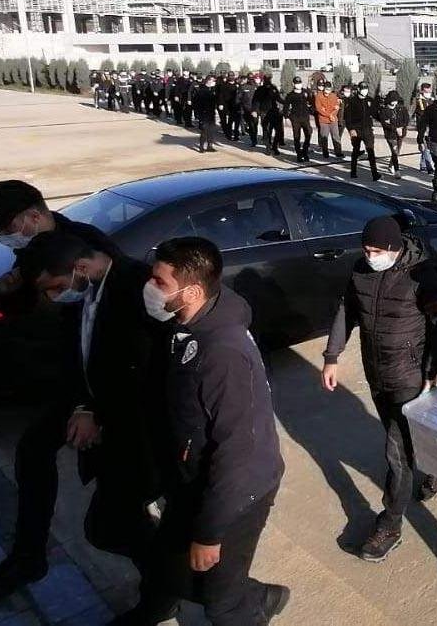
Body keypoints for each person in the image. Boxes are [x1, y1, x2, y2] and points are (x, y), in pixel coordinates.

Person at [0, 181, 120, 605]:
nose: (6, 238)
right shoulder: (33, 249)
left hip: (102, 383)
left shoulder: (88, 248)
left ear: (34, 216)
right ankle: (28, 557)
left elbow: (114, 330)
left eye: (8, 228)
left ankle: (181, 581)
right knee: (34, 455)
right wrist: (5, 292)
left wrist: (89, 405)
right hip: (64, 375)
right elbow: (25, 303)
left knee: (123, 492)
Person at [130, 237, 289, 625]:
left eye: (160, 282)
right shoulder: (185, 323)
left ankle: (254, 603)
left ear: (192, 292)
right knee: (172, 568)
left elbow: (237, 453)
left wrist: (210, 534)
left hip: (237, 495)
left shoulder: (224, 353)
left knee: (222, 603)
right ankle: (258, 595)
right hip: (193, 480)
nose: (150, 288)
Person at [16, 232, 171, 621]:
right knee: (117, 523)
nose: (54, 296)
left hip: (141, 435)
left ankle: (178, 587)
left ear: (80, 268)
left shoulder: (137, 288)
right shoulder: (87, 291)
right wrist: (85, 406)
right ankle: (165, 585)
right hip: (113, 434)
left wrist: (96, 412)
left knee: (108, 526)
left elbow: (143, 371)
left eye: (56, 287)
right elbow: (83, 356)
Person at [320, 217, 437, 561]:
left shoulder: (421, 276)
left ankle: (390, 525)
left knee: (397, 453)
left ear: (394, 248)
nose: (369, 256)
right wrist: (332, 356)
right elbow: (346, 311)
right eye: (365, 250)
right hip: (377, 375)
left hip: (410, 377)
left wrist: (430, 373)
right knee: (410, 439)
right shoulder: (360, 272)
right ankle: (434, 467)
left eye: (376, 251)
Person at [345, 82, 382, 181]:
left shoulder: (369, 100)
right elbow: (347, 118)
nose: (365, 90)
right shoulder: (352, 101)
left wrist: (383, 119)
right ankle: (353, 171)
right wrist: (351, 129)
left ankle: (374, 173)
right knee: (355, 150)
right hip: (356, 129)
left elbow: (375, 114)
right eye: (363, 88)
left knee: (371, 151)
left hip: (367, 129)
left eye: (366, 88)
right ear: (358, 89)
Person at [377, 91, 409, 179]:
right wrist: (395, 129)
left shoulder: (401, 108)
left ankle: (391, 165)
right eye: (393, 100)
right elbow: (385, 124)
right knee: (394, 151)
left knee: (397, 152)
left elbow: (406, 119)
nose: (395, 102)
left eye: (396, 100)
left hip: (401, 134)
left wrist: (401, 127)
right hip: (390, 135)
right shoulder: (384, 111)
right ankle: (397, 170)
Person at [285, 76, 314, 162]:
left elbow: (311, 102)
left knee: (308, 134)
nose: (298, 85)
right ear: (293, 84)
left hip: (305, 118)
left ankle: (305, 151)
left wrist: (311, 110)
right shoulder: (290, 95)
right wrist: (286, 117)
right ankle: (299, 154)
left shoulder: (305, 92)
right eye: (297, 83)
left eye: (300, 83)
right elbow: (286, 107)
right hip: (295, 119)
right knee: (297, 137)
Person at [313, 80, 343, 159]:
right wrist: (329, 115)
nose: (327, 91)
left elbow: (337, 107)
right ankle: (325, 152)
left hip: (333, 120)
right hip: (323, 121)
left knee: (336, 137)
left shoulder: (334, 96)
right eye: (326, 89)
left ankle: (338, 152)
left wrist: (332, 114)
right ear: (324, 88)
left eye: (329, 89)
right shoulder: (318, 96)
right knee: (324, 137)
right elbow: (319, 109)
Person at [260, 73, 286, 157]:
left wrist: (286, 102)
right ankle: (268, 147)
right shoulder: (260, 89)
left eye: (270, 79)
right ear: (264, 80)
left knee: (278, 131)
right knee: (267, 131)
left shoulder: (274, 88)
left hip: (274, 112)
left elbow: (278, 98)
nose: (269, 80)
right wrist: (255, 110)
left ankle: (275, 146)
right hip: (265, 112)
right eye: (267, 79)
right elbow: (256, 101)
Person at [412, 82, 435, 174]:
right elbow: (422, 112)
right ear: (422, 91)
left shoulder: (432, 100)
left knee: (427, 146)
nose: (428, 93)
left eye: (429, 91)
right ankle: (429, 166)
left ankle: (423, 165)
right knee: (425, 146)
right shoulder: (419, 101)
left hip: (431, 126)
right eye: (426, 92)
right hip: (423, 126)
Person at [193, 76, 219, 153]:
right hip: (204, 113)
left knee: (211, 130)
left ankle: (210, 146)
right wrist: (198, 114)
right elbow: (197, 103)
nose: (214, 82)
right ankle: (201, 147)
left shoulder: (213, 90)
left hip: (211, 113)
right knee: (204, 130)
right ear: (208, 81)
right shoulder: (202, 90)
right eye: (213, 81)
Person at [237, 75, 258, 146]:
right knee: (252, 125)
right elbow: (238, 99)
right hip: (250, 109)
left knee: (252, 125)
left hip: (251, 109)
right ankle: (254, 139)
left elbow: (237, 99)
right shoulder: (244, 87)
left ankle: (254, 139)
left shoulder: (256, 87)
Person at [217, 73, 239, 140]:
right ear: (228, 77)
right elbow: (221, 95)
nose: (231, 77)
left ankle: (235, 134)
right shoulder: (224, 85)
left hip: (235, 105)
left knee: (234, 120)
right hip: (225, 104)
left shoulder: (237, 85)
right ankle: (228, 133)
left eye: (232, 76)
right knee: (225, 120)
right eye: (230, 76)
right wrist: (220, 103)